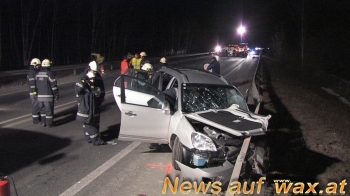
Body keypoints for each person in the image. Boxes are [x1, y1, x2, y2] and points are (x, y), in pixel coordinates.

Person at [76, 71, 106, 145]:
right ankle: (95, 140)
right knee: (89, 124)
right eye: (90, 79)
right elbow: (78, 89)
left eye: (93, 79)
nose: (92, 81)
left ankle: (89, 138)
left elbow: (98, 95)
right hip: (85, 110)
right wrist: (83, 80)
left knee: (87, 124)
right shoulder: (84, 87)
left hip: (90, 110)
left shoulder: (93, 88)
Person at [36, 59, 58, 128]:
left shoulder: (38, 74)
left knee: (42, 111)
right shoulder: (49, 74)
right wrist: (56, 94)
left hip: (39, 96)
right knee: (49, 111)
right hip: (48, 96)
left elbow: (36, 84)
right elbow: (53, 85)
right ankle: (49, 123)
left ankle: (43, 122)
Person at [27, 58, 41, 124]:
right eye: (38, 65)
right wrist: (34, 92)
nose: (39, 66)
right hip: (33, 92)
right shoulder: (31, 73)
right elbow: (32, 84)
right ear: (34, 65)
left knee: (37, 105)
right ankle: (35, 120)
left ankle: (38, 118)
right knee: (35, 105)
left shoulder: (34, 72)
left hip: (35, 91)